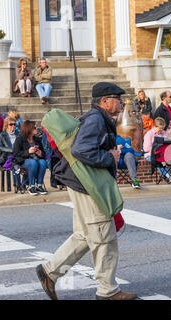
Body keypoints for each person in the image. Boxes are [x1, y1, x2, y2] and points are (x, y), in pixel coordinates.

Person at [35, 82, 136, 300]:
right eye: (117, 98)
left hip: (81, 182)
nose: (121, 102)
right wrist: (110, 157)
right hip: (87, 185)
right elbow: (81, 149)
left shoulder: (98, 117)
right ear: (104, 101)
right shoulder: (96, 119)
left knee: (85, 234)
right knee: (103, 235)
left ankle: (49, 271)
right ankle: (107, 291)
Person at [12, 120, 48, 195]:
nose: (36, 129)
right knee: (33, 163)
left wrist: (40, 153)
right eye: (34, 128)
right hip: (24, 160)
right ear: (28, 129)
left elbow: (44, 153)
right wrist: (28, 152)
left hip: (37, 159)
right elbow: (15, 153)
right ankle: (31, 186)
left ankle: (39, 185)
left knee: (43, 162)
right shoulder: (20, 139)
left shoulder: (37, 139)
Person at [0, 117, 24, 190]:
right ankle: (17, 184)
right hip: (8, 157)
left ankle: (23, 184)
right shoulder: (2, 135)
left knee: (28, 162)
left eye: (14, 124)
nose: (13, 126)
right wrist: (11, 150)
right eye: (11, 124)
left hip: (19, 155)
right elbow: (0, 147)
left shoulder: (18, 134)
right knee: (14, 162)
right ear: (6, 125)